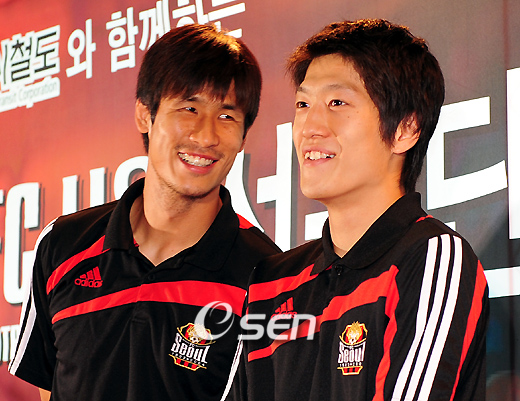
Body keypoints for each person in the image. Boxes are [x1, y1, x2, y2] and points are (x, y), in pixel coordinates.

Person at [8, 24, 280, 401]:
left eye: (227, 116)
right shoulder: (63, 245)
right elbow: (50, 388)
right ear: (144, 115)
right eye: (189, 108)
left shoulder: (267, 277)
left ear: (244, 135)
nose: (206, 136)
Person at [226, 19, 489, 401]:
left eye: (337, 103)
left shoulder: (432, 256)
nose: (309, 127)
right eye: (303, 104)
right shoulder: (271, 282)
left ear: (405, 129)